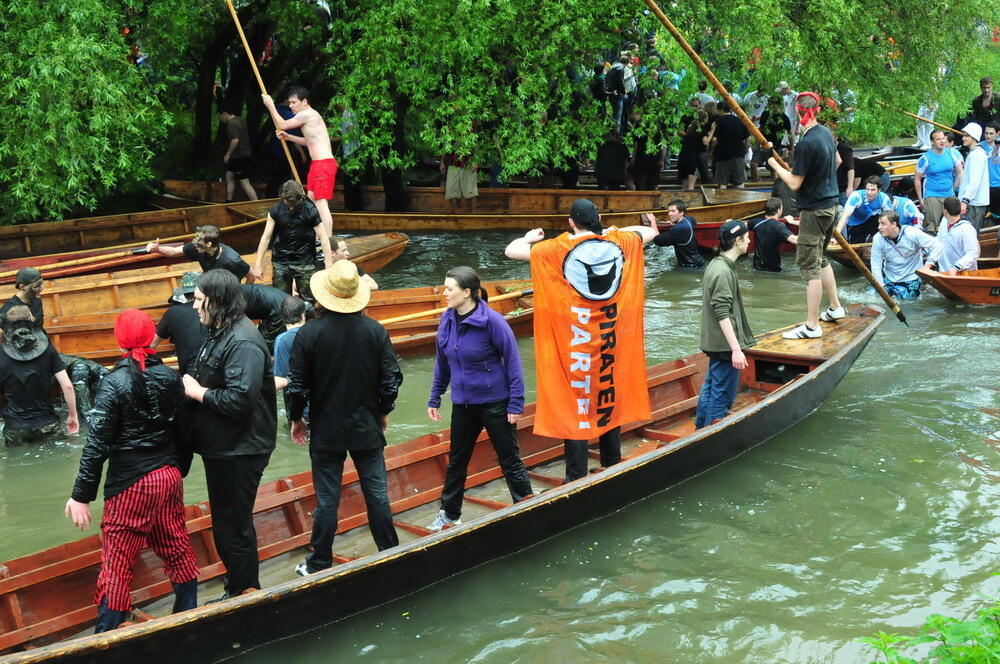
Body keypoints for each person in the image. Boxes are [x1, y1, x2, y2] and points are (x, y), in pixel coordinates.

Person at [64, 309, 200, 632]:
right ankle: (189, 617)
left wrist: (81, 496)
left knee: (117, 561)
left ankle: (106, 635)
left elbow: (97, 446)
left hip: (131, 485)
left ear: (120, 340)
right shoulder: (170, 377)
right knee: (176, 545)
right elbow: (185, 434)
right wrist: (176, 470)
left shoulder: (112, 383)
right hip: (167, 477)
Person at [504, 200, 657, 481]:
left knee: (576, 401)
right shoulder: (620, 242)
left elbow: (511, 250)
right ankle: (612, 462)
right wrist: (612, 229)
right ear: (597, 218)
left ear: (571, 223)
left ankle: (576, 476)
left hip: (574, 342)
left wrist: (529, 238)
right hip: (609, 339)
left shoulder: (554, 250)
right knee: (607, 389)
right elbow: (649, 232)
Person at [286, 261, 402, 575]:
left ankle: (319, 561)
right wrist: (382, 412)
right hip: (366, 426)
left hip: (326, 429)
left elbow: (297, 387)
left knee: (327, 499)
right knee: (377, 493)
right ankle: (390, 553)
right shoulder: (375, 330)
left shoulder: (308, 333)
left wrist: (296, 419)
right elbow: (391, 380)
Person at [182, 270, 276, 600]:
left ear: (217, 301)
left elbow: (240, 399)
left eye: (198, 299)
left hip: (241, 447)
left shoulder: (242, 341)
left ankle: (244, 592)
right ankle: (236, 587)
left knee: (232, 526)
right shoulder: (218, 330)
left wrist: (197, 394)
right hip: (223, 445)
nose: (193, 306)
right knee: (226, 523)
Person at [425, 266, 533, 531]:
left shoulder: (492, 321)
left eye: (449, 289)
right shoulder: (446, 319)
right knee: (457, 461)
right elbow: (443, 362)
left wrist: (516, 402)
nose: (444, 293)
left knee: (509, 459)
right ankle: (450, 513)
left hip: (495, 402)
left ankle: (527, 505)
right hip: (463, 404)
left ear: (468, 292)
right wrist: (435, 396)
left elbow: (513, 363)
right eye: (444, 287)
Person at [767, 91, 845, 340]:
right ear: (817, 111)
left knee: (809, 266)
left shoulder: (806, 143)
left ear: (798, 114)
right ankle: (835, 308)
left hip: (814, 210)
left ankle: (811, 326)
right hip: (832, 206)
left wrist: (774, 164)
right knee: (820, 258)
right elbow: (838, 161)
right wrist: (819, 178)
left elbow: (793, 183)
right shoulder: (826, 134)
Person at [695, 220, 754, 429]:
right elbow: (722, 312)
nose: (749, 241)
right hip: (724, 344)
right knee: (722, 395)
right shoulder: (722, 271)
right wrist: (736, 349)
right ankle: (708, 435)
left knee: (711, 387)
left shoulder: (718, 264)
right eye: (746, 238)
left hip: (716, 342)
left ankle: (700, 429)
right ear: (737, 240)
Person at [262, 87, 337, 236]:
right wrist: (290, 138)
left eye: (294, 102)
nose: (290, 106)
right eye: (289, 103)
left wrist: (271, 105)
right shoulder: (309, 116)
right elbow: (310, 140)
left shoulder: (307, 114)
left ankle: (327, 241)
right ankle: (315, 236)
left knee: (321, 203)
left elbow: (282, 124)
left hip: (324, 164)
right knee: (310, 201)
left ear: (304, 101)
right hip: (318, 164)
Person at [252, 180, 333, 301]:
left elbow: (323, 237)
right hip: (281, 260)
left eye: (294, 203)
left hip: (304, 261)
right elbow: (266, 237)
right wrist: (258, 264)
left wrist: (329, 264)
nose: (291, 207)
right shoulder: (275, 210)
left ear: (300, 198)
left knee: (309, 299)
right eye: (288, 203)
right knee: (280, 299)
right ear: (282, 198)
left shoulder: (310, 210)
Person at [869, 210, 942, 300]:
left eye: (883, 224)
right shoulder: (878, 238)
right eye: (879, 223)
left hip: (910, 277)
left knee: (906, 304)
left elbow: (937, 245)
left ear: (894, 224)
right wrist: (881, 286)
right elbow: (875, 265)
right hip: (889, 276)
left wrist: (928, 264)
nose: (879, 227)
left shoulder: (911, 233)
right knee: (873, 298)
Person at [146, 225, 250, 281]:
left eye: (198, 241)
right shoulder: (197, 246)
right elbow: (173, 251)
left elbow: (251, 276)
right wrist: (158, 249)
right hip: (212, 282)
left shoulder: (231, 259)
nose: (194, 243)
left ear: (208, 244)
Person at [153, 272, 205, 375]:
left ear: (184, 293)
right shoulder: (213, 309)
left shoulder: (173, 312)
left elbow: (152, 344)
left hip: (189, 375)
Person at [914, 129, 963, 234]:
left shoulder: (952, 154)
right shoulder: (925, 158)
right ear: (932, 142)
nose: (942, 141)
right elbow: (917, 179)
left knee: (953, 223)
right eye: (938, 139)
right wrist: (920, 199)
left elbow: (960, 172)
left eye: (943, 139)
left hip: (949, 194)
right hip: (932, 194)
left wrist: (954, 188)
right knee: (932, 226)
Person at [272, 295, 306, 417]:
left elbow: (280, 379)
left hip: (297, 407)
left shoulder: (282, 340)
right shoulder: (314, 332)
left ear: (282, 317)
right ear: (303, 316)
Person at [836, 175, 894, 244]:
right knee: (855, 245)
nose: (869, 193)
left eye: (873, 190)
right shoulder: (856, 196)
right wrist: (837, 236)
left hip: (872, 220)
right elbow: (844, 216)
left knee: (885, 219)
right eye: (867, 189)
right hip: (855, 224)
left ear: (879, 190)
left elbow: (891, 217)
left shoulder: (884, 198)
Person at [648, 200, 705, 268]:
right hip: (699, 262)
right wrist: (674, 224)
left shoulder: (678, 229)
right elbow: (693, 222)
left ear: (681, 213)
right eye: (668, 211)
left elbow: (657, 240)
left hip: (690, 267)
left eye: (673, 211)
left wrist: (653, 221)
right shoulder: (689, 219)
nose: (669, 214)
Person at [748, 198, 799, 272]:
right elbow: (794, 239)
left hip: (757, 267)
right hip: (773, 270)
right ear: (778, 210)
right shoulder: (778, 226)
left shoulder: (755, 222)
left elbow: (742, 225)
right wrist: (792, 222)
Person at [218, 109, 258, 202]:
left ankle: (256, 202)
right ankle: (229, 200)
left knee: (244, 182)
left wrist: (228, 154)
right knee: (229, 175)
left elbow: (235, 140)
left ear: (225, 113)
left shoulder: (232, 124)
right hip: (245, 155)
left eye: (220, 116)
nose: (221, 119)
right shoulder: (241, 120)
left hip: (239, 156)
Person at [936, 196, 980, 274]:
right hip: (944, 272)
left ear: (945, 211)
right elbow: (938, 241)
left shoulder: (967, 229)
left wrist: (957, 267)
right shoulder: (944, 222)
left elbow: (973, 252)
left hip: (964, 275)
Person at [711, 102, 750, 189]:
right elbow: (747, 138)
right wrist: (745, 150)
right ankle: (742, 201)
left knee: (722, 182)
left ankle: (722, 202)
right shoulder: (739, 120)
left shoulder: (718, 121)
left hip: (723, 154)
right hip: (738, 154)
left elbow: (714, 139)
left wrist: (712, 150)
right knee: (739, 182)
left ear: (720, 109)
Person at [958, 122, 990, 229]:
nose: (963, 138)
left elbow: (974, 181)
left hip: (974, 203)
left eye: (966, 136)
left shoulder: (977, 155)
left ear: (974, 137)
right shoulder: (975, 153)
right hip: (973, 202)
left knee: (970, 235)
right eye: (963, 135)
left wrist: (965, 200)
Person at [982, 122, 1000, 218]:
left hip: (998, 185)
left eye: (991, 133)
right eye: (986, 133)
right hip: (984, 186)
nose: (988, 136)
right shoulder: (979, 147)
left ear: (997, 133)